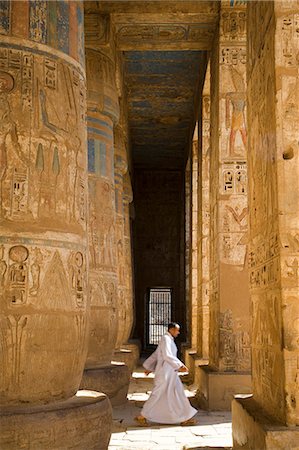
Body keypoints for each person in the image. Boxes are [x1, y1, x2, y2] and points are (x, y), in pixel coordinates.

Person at [135, 322, 197, 426]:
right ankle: (142, 416)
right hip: (165, 373)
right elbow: (167, 355)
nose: (178, 332)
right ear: (171, 330)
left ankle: (185, 417)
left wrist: (149, 367)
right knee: (157, 394)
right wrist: (179, 366)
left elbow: (157, 354)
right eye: (177, 330)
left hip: (170, 372)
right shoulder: (166, 339)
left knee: (178, 393)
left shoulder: (167, 340)